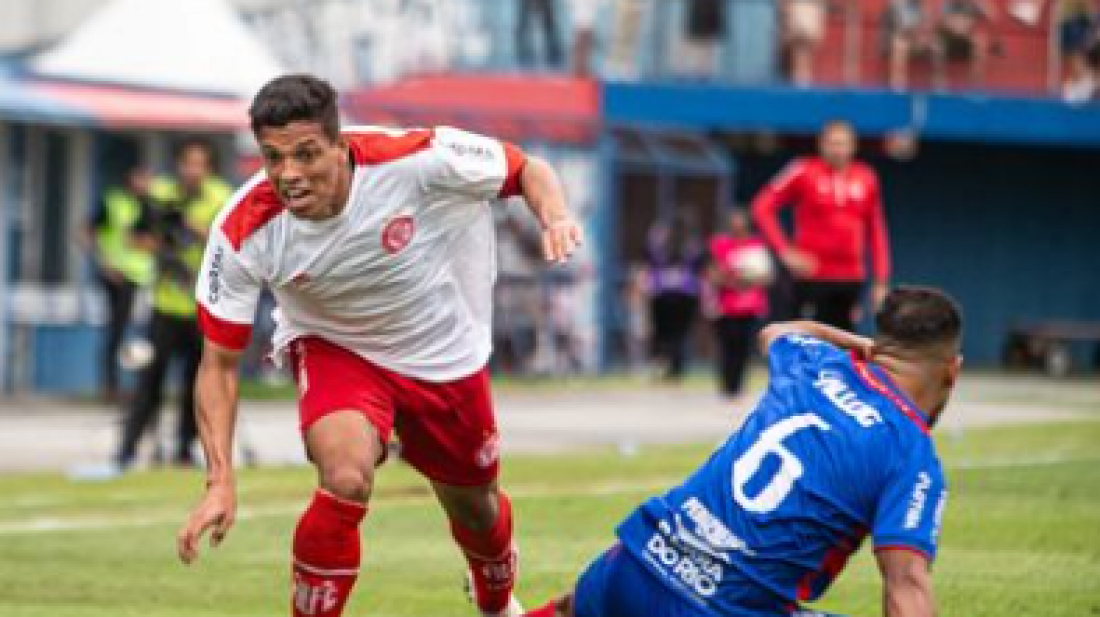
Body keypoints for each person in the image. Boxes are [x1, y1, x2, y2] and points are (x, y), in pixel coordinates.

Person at [176, 74, 582, 617]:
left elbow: (528, 168)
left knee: (477, 510)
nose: (289, 174)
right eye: (274, 158)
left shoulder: (414, 159)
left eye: (305, 154)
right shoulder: (243, 229)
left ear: (339, 145)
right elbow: (218, 366)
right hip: (336, 347)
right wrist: (220, 480)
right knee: (344, 475)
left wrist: (555, 217)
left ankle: (495, 603)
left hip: (441, 350)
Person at [524, 285, 963, 617]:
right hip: (719, 606)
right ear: (952, 371)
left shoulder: (814, 363)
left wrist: (859, 346)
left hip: (632, 565)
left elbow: (778, 331)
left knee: (577, 605)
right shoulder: (911, 453)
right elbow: (907, 585)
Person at [115, 140, 233, 469]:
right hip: (164, 304)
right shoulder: (161, 193)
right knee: (149, 380)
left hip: (201, 306)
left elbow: (228, 241)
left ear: (209, 168)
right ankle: (127, 449)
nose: (192, 170)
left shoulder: (221, 196)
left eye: (199, 164)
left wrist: (189, 226)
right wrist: (160, 245)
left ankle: (184, 448)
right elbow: (133, 237)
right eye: (187, 163)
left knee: (195, 384)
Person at [752, 120, 891, 332]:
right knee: (807, 341)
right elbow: (762, 206)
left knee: (843, 342)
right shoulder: (802, 170)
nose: (837, 149)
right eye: (832, 143)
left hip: (851, 278)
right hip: (811, 276)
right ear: (821, 144)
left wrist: (880, 280)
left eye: (842, 143)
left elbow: (877, 231)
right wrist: (785, 251)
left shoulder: (867, 177)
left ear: (853, 146)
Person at [82, 165, 156, 403]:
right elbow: (86, 231)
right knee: (117, 330)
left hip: (145, 277)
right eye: (140, 177)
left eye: (147, 178)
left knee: (146, 332)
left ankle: (141, 386)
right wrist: (102, 263)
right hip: (117, 276)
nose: (144, 183)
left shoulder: (151, 205)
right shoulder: (113, 201)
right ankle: (111, 387)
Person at [707, 209, 769, 399]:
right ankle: (727, 386)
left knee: (744, 347)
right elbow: (713, 274)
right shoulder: (720, 244)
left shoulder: (756, 245)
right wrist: (731, 281)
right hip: (727, 306)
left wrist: (749, 279)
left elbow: (766, 275)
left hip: (751, 305)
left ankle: (738, 386)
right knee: (727, 346)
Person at [645, 214, 707, 382]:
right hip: (665, 296)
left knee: (677, 335)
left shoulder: (689, 247)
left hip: (682, 296)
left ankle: (675, 369)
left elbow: (698, 260)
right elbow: (650, 254)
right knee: (665, 334)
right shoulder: (662, 248)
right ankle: (665, 367)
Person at [933, 0, 997, 88]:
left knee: (980, 41)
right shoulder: (946, 3)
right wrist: (954, 26)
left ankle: (975, 83)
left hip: (967, 36)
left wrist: (978, 3)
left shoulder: (976, 3)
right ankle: (939, 82)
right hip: (948, 37)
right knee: (936, 44)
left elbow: (992, 16)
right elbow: (938, 21)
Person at [783, 0, 827, 85]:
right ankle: (800, 83)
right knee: (799, 50)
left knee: (803, 51)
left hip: (809, 9)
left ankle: (801, 83)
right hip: (799, 9)